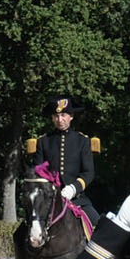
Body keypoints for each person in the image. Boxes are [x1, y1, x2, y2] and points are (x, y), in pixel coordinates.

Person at [27, 96, 101, 227]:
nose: (59, 120)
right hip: (48, 200)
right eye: (56, 116)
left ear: (71, 116)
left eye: (63, 115)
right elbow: (38, 173)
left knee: (99, 226)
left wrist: (73, 188)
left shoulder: (82, 141)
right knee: (24, 231)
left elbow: (89, 172)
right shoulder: (43, 141)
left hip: (77, 199)